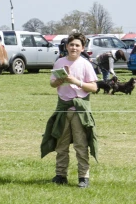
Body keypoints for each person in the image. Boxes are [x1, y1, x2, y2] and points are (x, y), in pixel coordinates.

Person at [41, 32, 98, 188]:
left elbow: (94, 87)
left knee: (81, 144)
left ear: (82, 48)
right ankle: (60, 175)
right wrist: (58, 81)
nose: (74, 48)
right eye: (71, 45)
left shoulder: (85, 64)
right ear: (66, 46)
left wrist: (76, 81)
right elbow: (52, 84)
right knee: (61, 143)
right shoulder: (59, 62)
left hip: (80, 109)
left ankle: (83, 177)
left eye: (77, 45)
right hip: (63, 108)